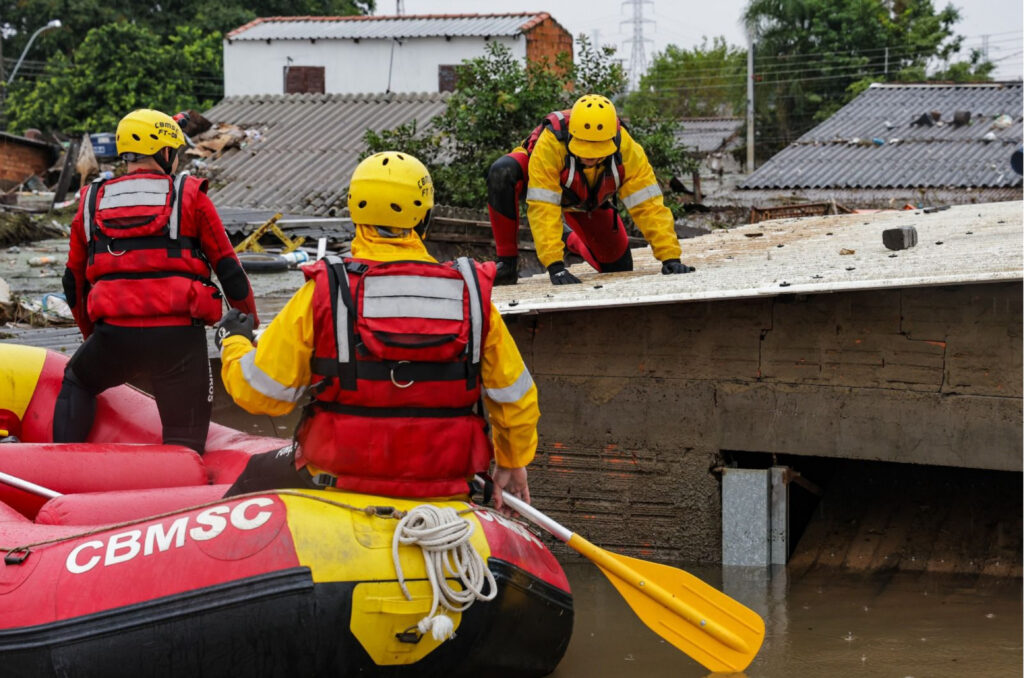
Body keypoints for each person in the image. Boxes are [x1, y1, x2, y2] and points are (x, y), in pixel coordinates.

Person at [216, 151, 537, 510]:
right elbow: (515, 398)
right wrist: (512, 460)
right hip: (446, 488)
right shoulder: (472, 297)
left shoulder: (325, 290)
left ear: (355, 213)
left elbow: (262, 393)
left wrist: (234, 343)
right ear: (426, 217)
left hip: (342, 485)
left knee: (256, 474)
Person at [56, 108, 259, 454]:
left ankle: (58, 466)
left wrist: (94, 337)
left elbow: (72, 283)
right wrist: (248, 328)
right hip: (178, 343)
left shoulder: (90, 201)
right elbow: (231, 273)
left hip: (113, 337)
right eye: (175, 153)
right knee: (185, 443)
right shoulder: (191, 196)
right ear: (165, 153)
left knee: (78, 380)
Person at [487, 93, 696, 286]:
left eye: (597, 151)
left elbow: (648, 205)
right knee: (502, 171)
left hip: (589, 202)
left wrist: (670, 257)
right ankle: (507, 264)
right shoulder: (552, 143)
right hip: (543, 184)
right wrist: (555, 266)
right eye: (585, 148)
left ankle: (567, 236)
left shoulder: (627, 149)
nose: (590, 157)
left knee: (618, 269)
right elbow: (543, 206)